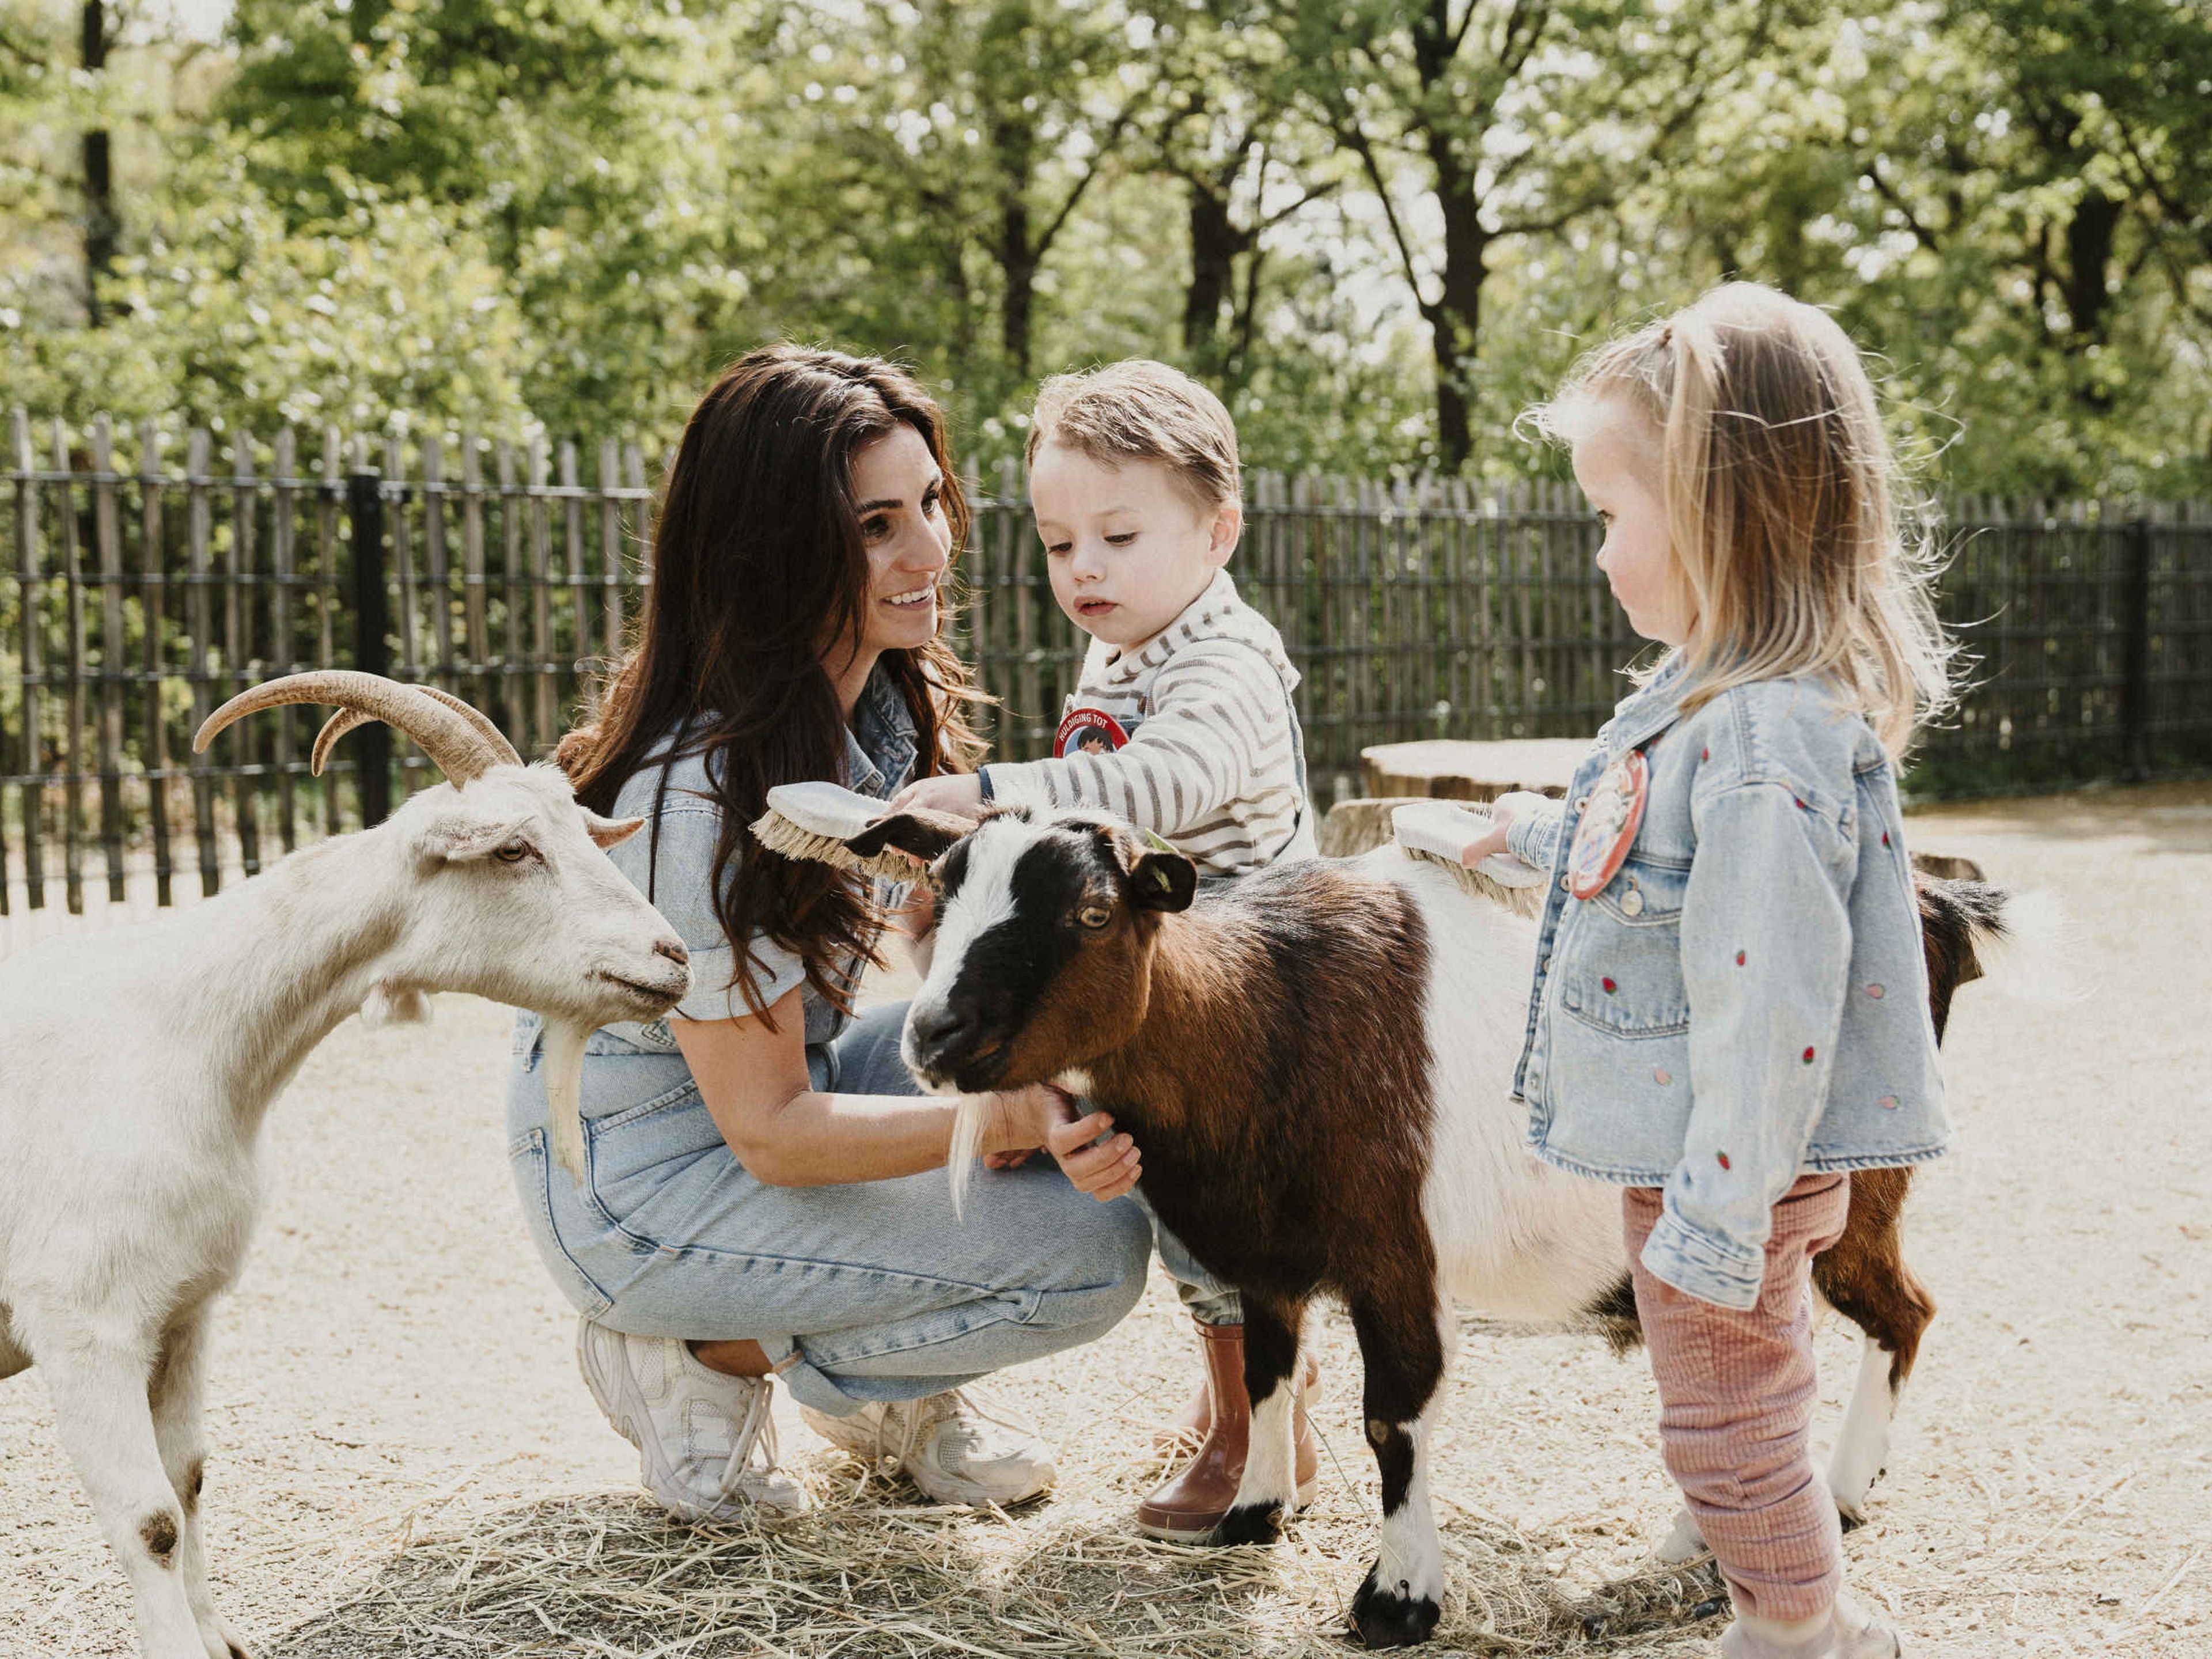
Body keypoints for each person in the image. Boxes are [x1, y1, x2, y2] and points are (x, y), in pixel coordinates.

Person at [508, 346, 1153, 1524]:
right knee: (1084, 1254)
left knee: (1053, 1071)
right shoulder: (696, 795)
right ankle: (695, 1356)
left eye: (931, 504)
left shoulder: (879, 712)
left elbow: (915, 964)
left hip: (777, 1092)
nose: (930, 551)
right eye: (874, 527)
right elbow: (767, 1131)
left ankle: (892, 1373)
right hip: (644, 1183)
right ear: (772, 555)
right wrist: (995, 1119)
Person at [1454, 284, 1950, 1659]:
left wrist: (1721, 1221)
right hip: (1693, 1162)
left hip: (1719, 1170)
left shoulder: (1762, 744)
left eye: (1611, 517)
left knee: (1727, 1424)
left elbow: (1769, 1003)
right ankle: (1801, 1615)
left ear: (1723, 514)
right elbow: (1649, 867)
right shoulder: (1705, 701)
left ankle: (1798, 1629)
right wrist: (1527, 836)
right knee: (1734, 1407)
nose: (1598, 551)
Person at [893, 358, 1319, 1540]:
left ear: (1218, 531)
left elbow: (1162, 781)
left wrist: (992, 793)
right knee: (1182, 1209)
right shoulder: (1131, 643)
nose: (1085, 568)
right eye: (1058, 540)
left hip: (1255, 993)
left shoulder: (1225, 664)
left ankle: (1261, 1436)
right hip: (1174, 983)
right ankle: (1236, 1387)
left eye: (1119, 536)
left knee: (1212, 1209)